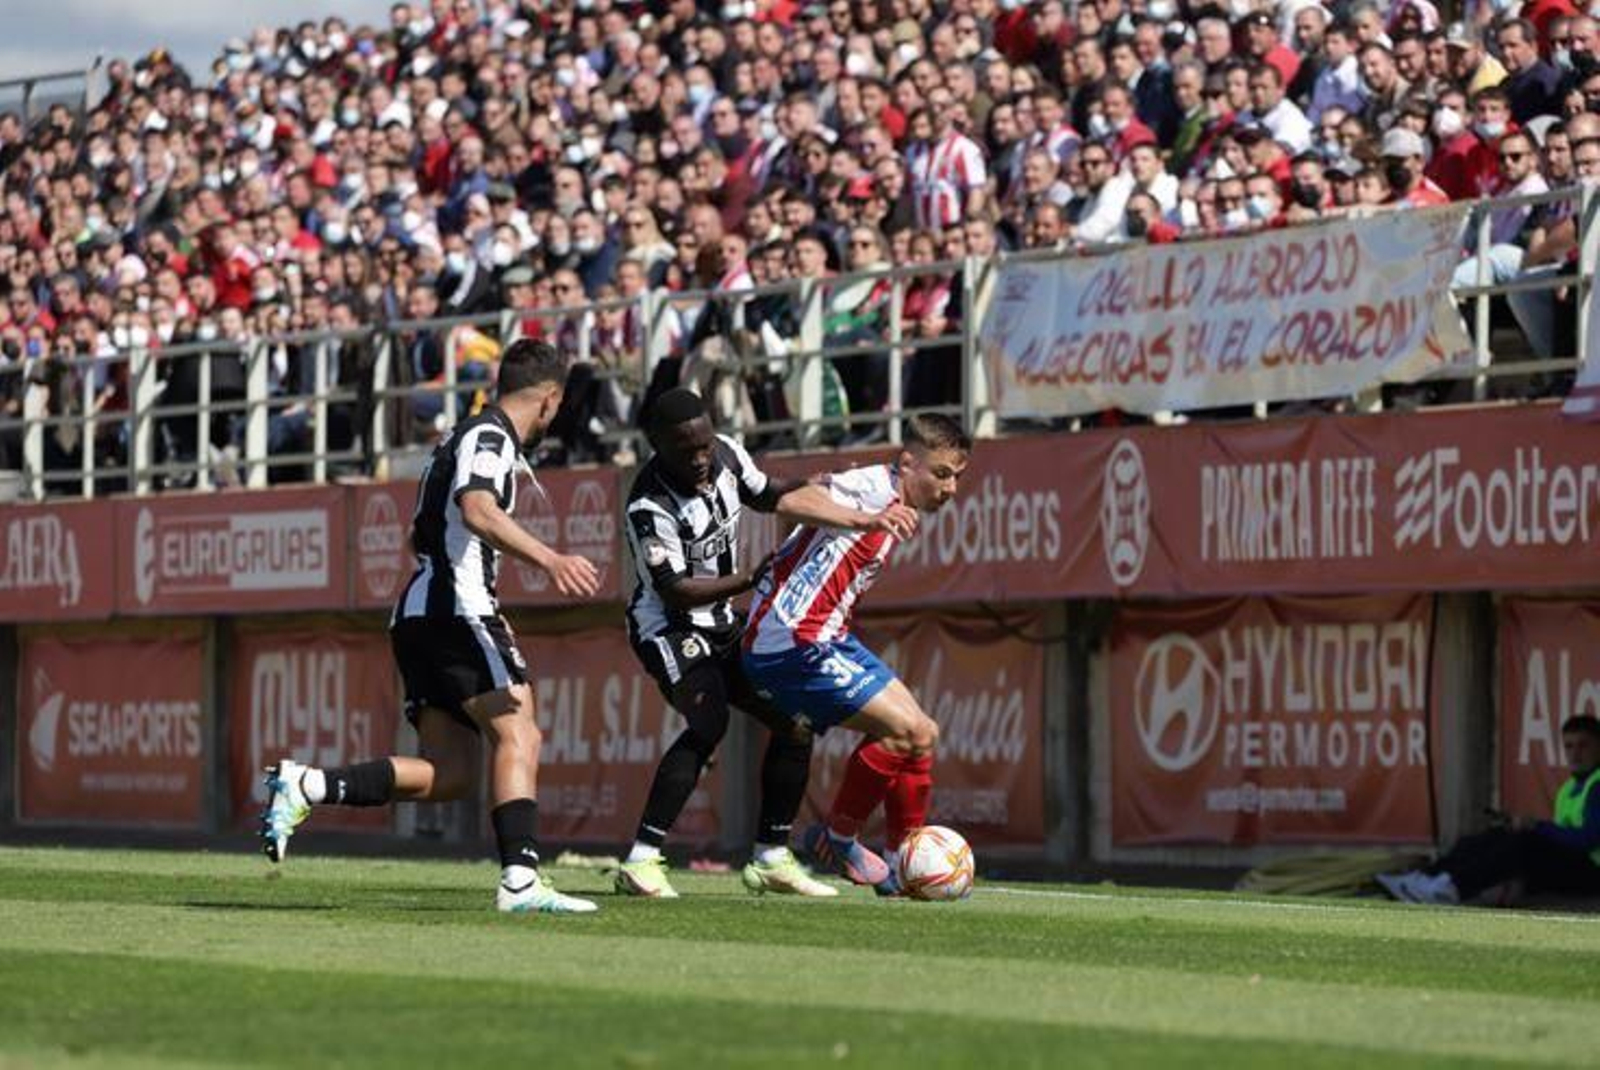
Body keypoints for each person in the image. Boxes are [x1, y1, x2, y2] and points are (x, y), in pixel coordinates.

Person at [259, 339, 604, 915]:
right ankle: (521, 880)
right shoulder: (491, 438)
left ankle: (308, 785)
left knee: (451, 773)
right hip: (455, 609)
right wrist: (550, 560)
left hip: (422, 614)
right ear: (550, 399)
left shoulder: (459, 437)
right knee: (521, 733)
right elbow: (478, 509)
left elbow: (419, 533)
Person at [614, 388, 917, 898]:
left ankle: (771, 857)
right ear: (658, 446)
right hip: (667, 628)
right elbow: (676, 590)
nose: (701, 458)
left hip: (722, 622)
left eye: (706, 445)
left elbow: (769, 494)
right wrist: (749, 579)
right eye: (687, 451)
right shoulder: (650, 505)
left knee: (796, 722)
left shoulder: (727, 455)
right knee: (709, 721)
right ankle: (641, 860)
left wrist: (826, 491)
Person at [741, 413, 971, 896]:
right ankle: (840, 839)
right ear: (907, 463)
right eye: (942, 473)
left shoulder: (889, 496)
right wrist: (866, 519)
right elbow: (791, 500)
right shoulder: (871, 488)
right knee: (906, 731)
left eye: (957, 477)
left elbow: (798, 509)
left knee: (923, 734)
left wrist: (791, 555)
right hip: (792, 641)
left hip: (827, 636)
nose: (950, 488)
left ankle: (903, 862)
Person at [1378, 716, 1600, 905]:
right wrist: (1533, 827)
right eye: (1569, 746)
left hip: (1592, 874)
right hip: (1575, 865)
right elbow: (1562, 838)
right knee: (1492, 836)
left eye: (1583, 745)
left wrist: (1537, 826)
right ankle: (1427, 877)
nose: (1575, 754)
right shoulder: (1567, 789)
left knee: (1523, 842)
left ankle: (1451, 888)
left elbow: (1587, 840)